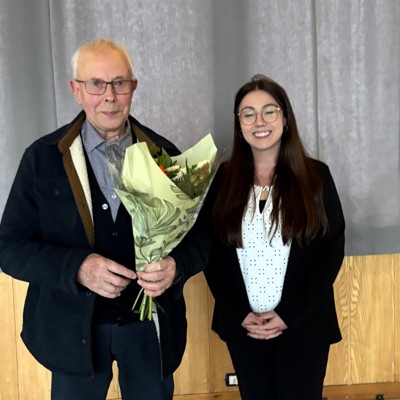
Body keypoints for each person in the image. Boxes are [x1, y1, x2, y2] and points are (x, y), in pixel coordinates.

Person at [0, 38, 189, 400]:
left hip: (150, 330)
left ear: (133, 87)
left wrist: (177, 266)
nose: (109, 96)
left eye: (119, 83)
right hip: (71, 333)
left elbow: (201, 239)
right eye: (96, 84)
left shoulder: (165, 156)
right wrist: (77, 268)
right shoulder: (42, 159)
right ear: (76, 90)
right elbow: (9, 249)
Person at [142, 74, 346, 399]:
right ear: (239, 124)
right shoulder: (223, 179)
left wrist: (289, 315)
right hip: (245, 328)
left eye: (269, 111)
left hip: (303, 326)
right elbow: (212, 255)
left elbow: (330, 252)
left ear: (285, 118)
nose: (259, 121)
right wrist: (240, 313)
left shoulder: (315, 177)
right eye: (248, 114)